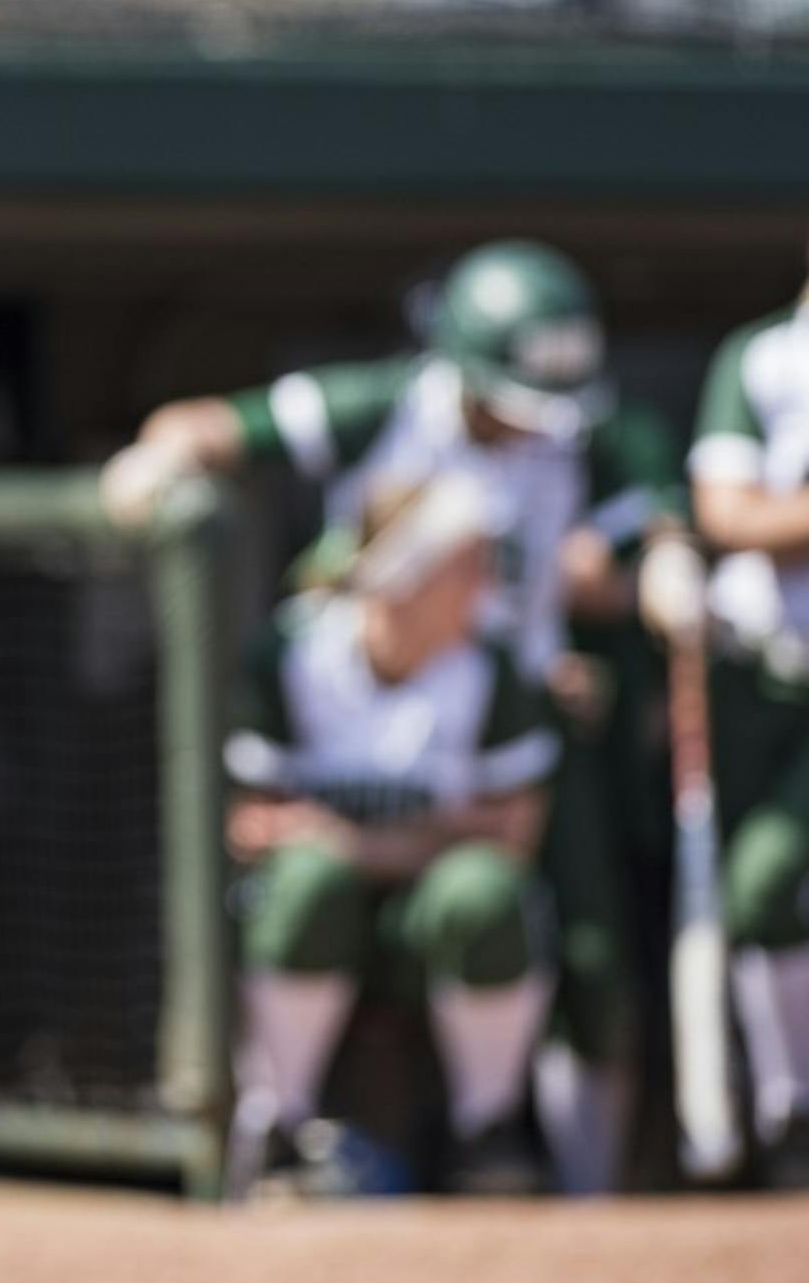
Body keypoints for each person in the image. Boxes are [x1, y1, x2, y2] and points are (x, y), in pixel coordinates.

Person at [102, 239, 688, 1193]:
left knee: (578, 950)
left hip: (516, 715)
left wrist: (641, 577)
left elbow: (654, 522)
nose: (528, 422)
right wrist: (159, 458)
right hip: (378, 700)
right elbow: (207, 426)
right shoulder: (372, 431)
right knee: (297, 898)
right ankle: (272, 1134)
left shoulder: (584, 432)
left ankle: (556, 1180)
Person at [221, 475, 561, 1197]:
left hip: (428, 923)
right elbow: (249, 824)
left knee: (484, 892)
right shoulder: (296, 651)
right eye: (464, 566)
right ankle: (278, 1129)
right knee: (306, 884)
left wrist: (350, 841)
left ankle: (487, 1132)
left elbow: (513, 835)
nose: (484, 586)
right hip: (318, 921)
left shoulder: (488, 664)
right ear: (406, 576)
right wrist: (436, 833)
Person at [681, 283, 809, 1182]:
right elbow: (727, 515)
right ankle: (788, 1110)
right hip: (766, 676)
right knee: (759, 887)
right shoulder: (765, 355)